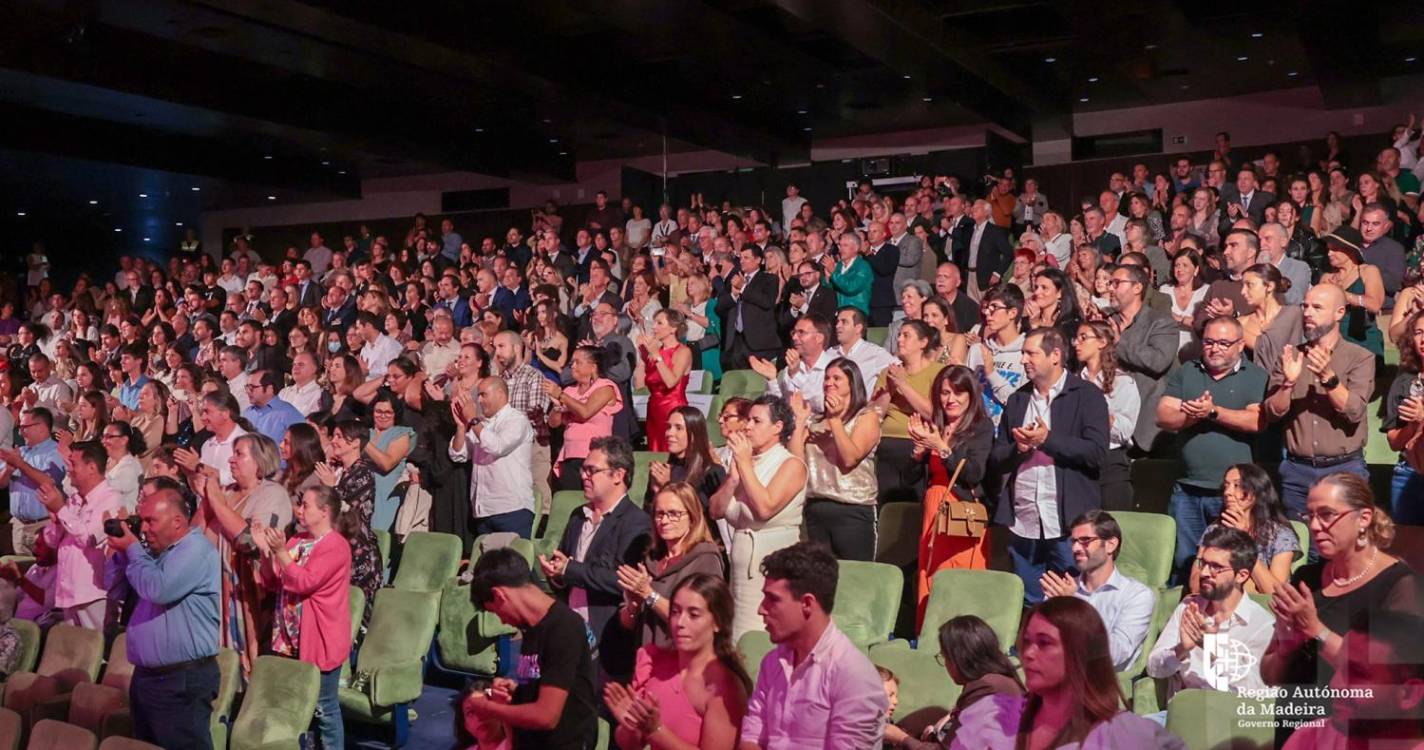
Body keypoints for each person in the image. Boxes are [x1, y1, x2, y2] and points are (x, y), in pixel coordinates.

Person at [1261, 474, 1422, 743]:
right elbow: (1269, 676)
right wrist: (1285, 649)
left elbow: (1387, 681)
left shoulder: (1400, 585)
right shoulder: (1307, 578)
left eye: (1326, 514)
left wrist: (1316, 631)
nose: (1314, 525)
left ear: (1364, 519)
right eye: (1309, 515)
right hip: (1297, 731)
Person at [990, 327, 1109, 606]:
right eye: (1022, 353)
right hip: (1025, 522)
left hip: (1068, 526)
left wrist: (1047, 440)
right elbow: (997, 458)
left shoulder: (1086, 396)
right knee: (1031, 603)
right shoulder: (1018, 400)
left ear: (1055, 355)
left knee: (1075, 601)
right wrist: (1018, 449)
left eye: (1031, 353)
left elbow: (1096, 453)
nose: (1023, 360)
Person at [739, 542, 889, 748]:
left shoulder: (854, 676)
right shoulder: (772, 663)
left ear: (807, 604)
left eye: (772, 599)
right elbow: (752, 733)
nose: (761, 609)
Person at [107, 483, 221, 750]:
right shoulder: (159, 554)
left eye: (151, 521)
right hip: (150, 677)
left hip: (180, 680)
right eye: (142, 521)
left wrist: (134, 549)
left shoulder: (195, 550)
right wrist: (126, 553)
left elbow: (158, 589)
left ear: (178, 521)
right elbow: (119, 585)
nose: (144, 529)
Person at [1157, 316, 1268, 584]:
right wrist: (1195, 416)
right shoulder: (1188, 371)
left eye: (1223, 343)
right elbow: (1163, 415)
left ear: (1241, 345)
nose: (1214, 348)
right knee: (1186, 562)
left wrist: (1213, 412)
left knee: (1227, 560)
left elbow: (1256, 421)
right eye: (1208, 342)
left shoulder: (1255, 376)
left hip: (1232, 494)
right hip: (1187, 488)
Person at [538, 436, 652, 683]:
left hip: (607, 638)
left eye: (592, 470)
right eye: (583, 469)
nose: (584, 476)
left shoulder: (636, 522)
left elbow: (622, 580)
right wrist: (556, 574)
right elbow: (566, 568)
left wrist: (570, 569)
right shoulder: (579, 515)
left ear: (618, 475)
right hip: (571, 630)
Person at [1265, 284, 1375, 531]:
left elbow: (1354, 411)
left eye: (1316, 307)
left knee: (1345, 546)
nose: (1307, 312)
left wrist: (1329, 378)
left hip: (1344, 470)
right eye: (1305, 306)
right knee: (1301, 550)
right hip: (1297, 472)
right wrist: (1288, 383)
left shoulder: (1359, 357)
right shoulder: (1289, 355)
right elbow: (1272, 413)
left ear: (1339, 313)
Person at [467, 547, 600, 750]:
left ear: (499, 595)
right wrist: (518, 692)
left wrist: (488, 708)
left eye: (496, 612)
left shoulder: (563, 629)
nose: (502, 620)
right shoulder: (533, 628)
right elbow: (552, 683)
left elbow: (546, 716)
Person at [1015, 596, 1186, 749]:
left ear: (1081, 653)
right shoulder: (999, 713)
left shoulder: (1122, 733)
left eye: (1044, 643)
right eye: (1026, 641)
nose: (1028, 653)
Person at [606, 573, 750, 750]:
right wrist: (632, 726)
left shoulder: (724, 688)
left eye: (694, 615)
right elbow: (629, 744)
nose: (680, 622)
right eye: (675, 612)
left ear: (717, 622)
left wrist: (657, 731)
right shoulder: (656, 665)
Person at [256, 485, 352, 750]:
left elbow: (305, 582)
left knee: (323, 707)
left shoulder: (336, 546)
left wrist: (281, 553)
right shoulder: (297, 540)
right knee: (295, 705)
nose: (299, 510)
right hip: (290, 639)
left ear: (324, 511)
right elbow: (275, 580)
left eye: (305, 505)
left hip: (318, 639)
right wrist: (266, 551)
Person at [190, 433, 291, 673]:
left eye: (240, 454)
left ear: (259, 462)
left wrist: (216, 501)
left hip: (249, 595)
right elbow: (192, 539)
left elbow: (251, 543)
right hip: (214, 591)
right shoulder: (225, 492)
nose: (231, 460)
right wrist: (207, 500)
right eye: (232, 454)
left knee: (247, 664)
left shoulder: (272, 495)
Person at [709, 396, 807, 641]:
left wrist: (744, 465)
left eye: (756, 421)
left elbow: (764, 508)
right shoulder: (743, 464)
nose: (748, 427)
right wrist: (732, 479)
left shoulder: (791, 465)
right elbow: (715, 510)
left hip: (773, 569)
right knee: (737, 642)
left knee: (762, 639)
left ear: (778, 427)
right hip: (740, 570)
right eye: (748, 420)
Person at [1147, 526, 1274, 705]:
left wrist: (1215, 651)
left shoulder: (1262, 625)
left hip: (1229, 720)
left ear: (1241, 575)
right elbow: (1153, 668)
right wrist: (1181, 649)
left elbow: (1261, 692)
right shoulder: (1189, 608)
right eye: (1204, 563)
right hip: (1181, 714)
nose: (1205, 573)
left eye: (1216, 567)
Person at [909, 365, 995, 624]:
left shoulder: (981, 427)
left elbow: (974, 474)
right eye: (945, 392)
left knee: (960, 581)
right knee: (930, 577)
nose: (950, 399)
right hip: (933, 512)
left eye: (958, 392)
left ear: (971, 395)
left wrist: (942, 448)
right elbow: (910, 481)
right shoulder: (933, 426)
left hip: (961, 514)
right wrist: (917, 453)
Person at [1279, 611, 1424, 749]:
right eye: (1339, 669)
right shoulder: (1313, 736)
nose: (1334, 685)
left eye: (1357, 673)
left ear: (1409, 694)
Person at [883, 615, 1025, 750]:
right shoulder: (1000, 682)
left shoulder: (988, 688)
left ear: (958, 658)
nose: (945, 664)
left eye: (945, 657)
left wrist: (900, 738)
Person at [1038, 511, 1155, 672]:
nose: (1076, 548)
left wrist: (1072, 609)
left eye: (1085, 540)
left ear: (1111, 544)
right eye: (1073, 541)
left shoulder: (1136, 595)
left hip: (1102, 684)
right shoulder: (1062, 589)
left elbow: (1115, 654)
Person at [788, 358, 880, 561]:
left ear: (852, 383)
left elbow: (849, 459)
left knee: (856, 579)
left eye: (837, 378)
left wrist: (835, 419)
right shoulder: (814, 421)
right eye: (827, 378)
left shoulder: (866, 417)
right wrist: (800, 422)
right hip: (815, 508)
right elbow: (796, 463)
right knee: (820, 581)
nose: (829, 382)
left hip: (853, 510)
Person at [615, 482, 724, 651]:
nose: (664, 521)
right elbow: (627, 625)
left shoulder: (705, 560)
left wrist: (648, 594)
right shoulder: (650, 559)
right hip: (647, 660)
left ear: (692, 517)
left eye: (674, 514)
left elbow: (700, 621)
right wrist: (633, 606)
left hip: (683, 663)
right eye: (659, 514)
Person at [315, 420, 383, 632]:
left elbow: (346, 511)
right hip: (335, 550)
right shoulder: (335, 470)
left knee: (357, 619)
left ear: (355, 443)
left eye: (340, 437)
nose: (334, 441)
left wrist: (330, 488)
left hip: (358, 554)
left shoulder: (362, 473)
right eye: (334, 436)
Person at [450, 376, 536, 539]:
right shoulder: (481, 424)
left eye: (484, 395)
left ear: (500, 394)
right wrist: (461, 426)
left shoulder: (516, 420)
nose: (479, 401)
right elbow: (458, 454)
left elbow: (497, 446)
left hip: (512, 509)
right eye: (478, 396)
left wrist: (473, 420)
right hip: (484, 511)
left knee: (513, 563)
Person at [1105, 263, 1178, 452]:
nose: (1110, 288)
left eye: (1117, 283)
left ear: (1137, 287)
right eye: (1110, 283)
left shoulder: (1160, 322)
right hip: (1107, 421)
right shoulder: (1105, 321)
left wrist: (1119, 343)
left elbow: (1158, 361)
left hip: (1143, 425)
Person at [1198, 464, 1301, 596]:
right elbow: (1196, 586)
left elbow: (1275, 592)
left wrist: (1244, 539)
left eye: (1237, 486)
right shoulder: (1214, 530)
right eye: (1226, 485)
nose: (1227, 492)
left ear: (1256, 491)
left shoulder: (1281, 535)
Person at [871, 321, 944, 505]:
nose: (899, 340)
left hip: (919, 446)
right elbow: (876, 413)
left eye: (906, 335)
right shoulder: (889, 373)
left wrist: (903, 385)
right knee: (885, 503)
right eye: (899, 335)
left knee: (913, 506)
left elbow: (934, 413)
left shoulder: (938, 373)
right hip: (887, 444)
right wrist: (890, 388)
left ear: (923, 342)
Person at [546, 346, 621, 491]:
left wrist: (561, 396)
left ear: (593, 367)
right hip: (570, 455)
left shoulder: (605, 388)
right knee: (570, 499)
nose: (572, 366)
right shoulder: (570, 391)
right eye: (572, 363)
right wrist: (556, 406)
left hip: (595, 456)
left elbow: (586, 412)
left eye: (577, 362)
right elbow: (553, 423)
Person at [645, 406, 728, 529]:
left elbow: (706, 516)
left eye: (678, 428)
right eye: (668, 427)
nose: (669, 433)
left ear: (694, 435)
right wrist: (656, 493)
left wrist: (668, 487)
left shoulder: (712, 471)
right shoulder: (663, 470)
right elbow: (648, 516)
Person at [0, 407, 65, 555]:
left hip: (43, 528)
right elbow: (2, 484)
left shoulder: (56, 451)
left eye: (24, 427)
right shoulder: (19, 452)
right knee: (22, 576)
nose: (20, 432)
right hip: (18, 527)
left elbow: (49, 482)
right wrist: (8, 470)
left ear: (41, 428)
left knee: (43, 575)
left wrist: (20, 464)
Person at [1383, 309, 1424, 525]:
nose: (1423, 339)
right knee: (1405, 552)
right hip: (1408, 473)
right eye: (1418, 332)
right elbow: (1394, 442)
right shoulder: (1404, 381)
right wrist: (1413, 425)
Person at [965, 284, 1026, 426]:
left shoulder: (1026, 353)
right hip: (978, 436)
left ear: (1012, 313)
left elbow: (1020, 405)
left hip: (1007, 436)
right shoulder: (977, 350)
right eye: (987, 308)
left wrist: (991, 373)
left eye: (994, 308)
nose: (987, 313)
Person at [753, 314, 833, 417]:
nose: (794, 337)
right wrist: (771, 380)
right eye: (794, 332)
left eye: (801, 332)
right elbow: (780, 408)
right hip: (790, 428)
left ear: (819, 338)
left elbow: (823, 405)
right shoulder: (790, 368)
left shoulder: (834, 368)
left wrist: (796, 375)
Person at [637, 310, 693, 452]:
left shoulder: (683, 351)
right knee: (655, 453)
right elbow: (639, 385)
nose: (654, 327)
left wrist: (656, 356)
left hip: (673, 409)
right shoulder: (655, 352)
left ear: (673, 328)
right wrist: (643, 356)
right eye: (654, 323)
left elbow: (671, 382)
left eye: (659, 323)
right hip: (654, 410)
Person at [1239, 263, 1303, 380]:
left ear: (1269, 286)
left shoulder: (1292, 313)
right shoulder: (1242, 321)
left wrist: (1234, 327)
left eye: (1249, 285)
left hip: (1282, 387)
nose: (1243, 291)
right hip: (1250, 385)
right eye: (1242, 285)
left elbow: (1270, 351)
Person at [364, 392, 415, 533]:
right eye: (379, 411)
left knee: (380, 537)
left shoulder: (401, 434)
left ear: (395, 414)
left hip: (385, 495)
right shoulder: (366, 432)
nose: (383, 416)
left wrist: (364, 442)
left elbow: (387, 464)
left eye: (388, 412)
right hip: (362, 495)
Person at [241, 369, 304, 445]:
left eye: (252, 388)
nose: (248, 391)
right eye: (247, 387)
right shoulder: (247, 414)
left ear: (269, 389)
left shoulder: (290, 414)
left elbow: (302, 448)